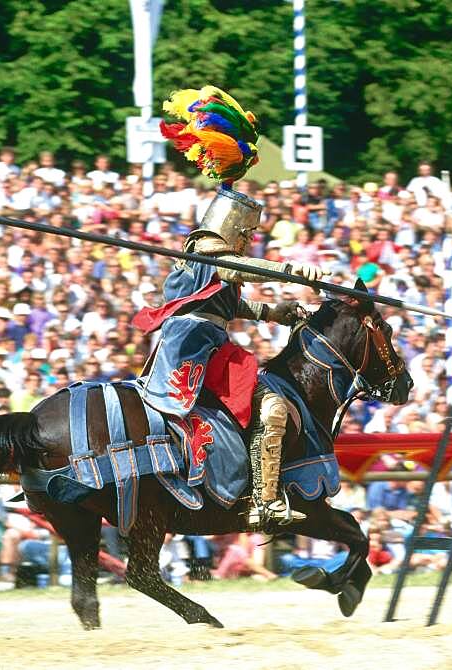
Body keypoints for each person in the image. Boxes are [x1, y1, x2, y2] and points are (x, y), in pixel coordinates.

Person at [136, 104, 323, 530]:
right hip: (196, 346)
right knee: (273, 406)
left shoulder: (208, 260)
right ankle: (264, 502)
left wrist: (272, 313)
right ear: (233, 226)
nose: (251, 238)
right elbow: (244, 270)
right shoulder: (206, 252)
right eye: (249, 232)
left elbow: (223, 303)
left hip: (206, 339)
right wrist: (293, 271)